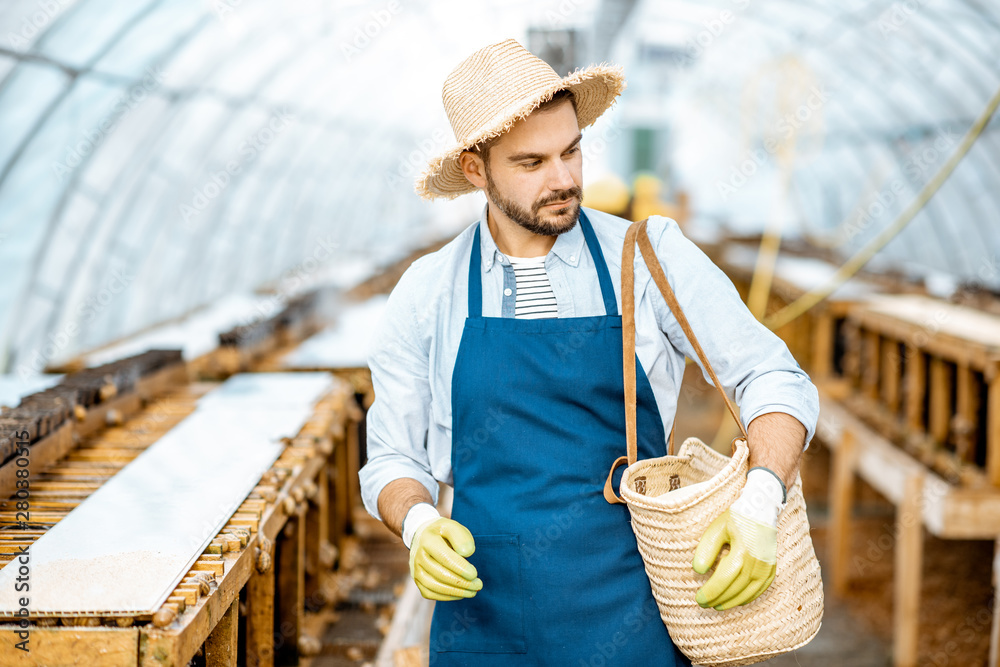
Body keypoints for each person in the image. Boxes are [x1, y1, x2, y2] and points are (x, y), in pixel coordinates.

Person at [359, 38, 819, 666]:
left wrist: (762, 500)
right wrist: (417, 526)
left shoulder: (647, 256)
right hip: (484, 622)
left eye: (571, 151)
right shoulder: (429, 292)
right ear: (475, 169)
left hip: (632, 608)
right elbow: (390, 456)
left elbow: (772, 377)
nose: (565, 179)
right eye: (531, 163)